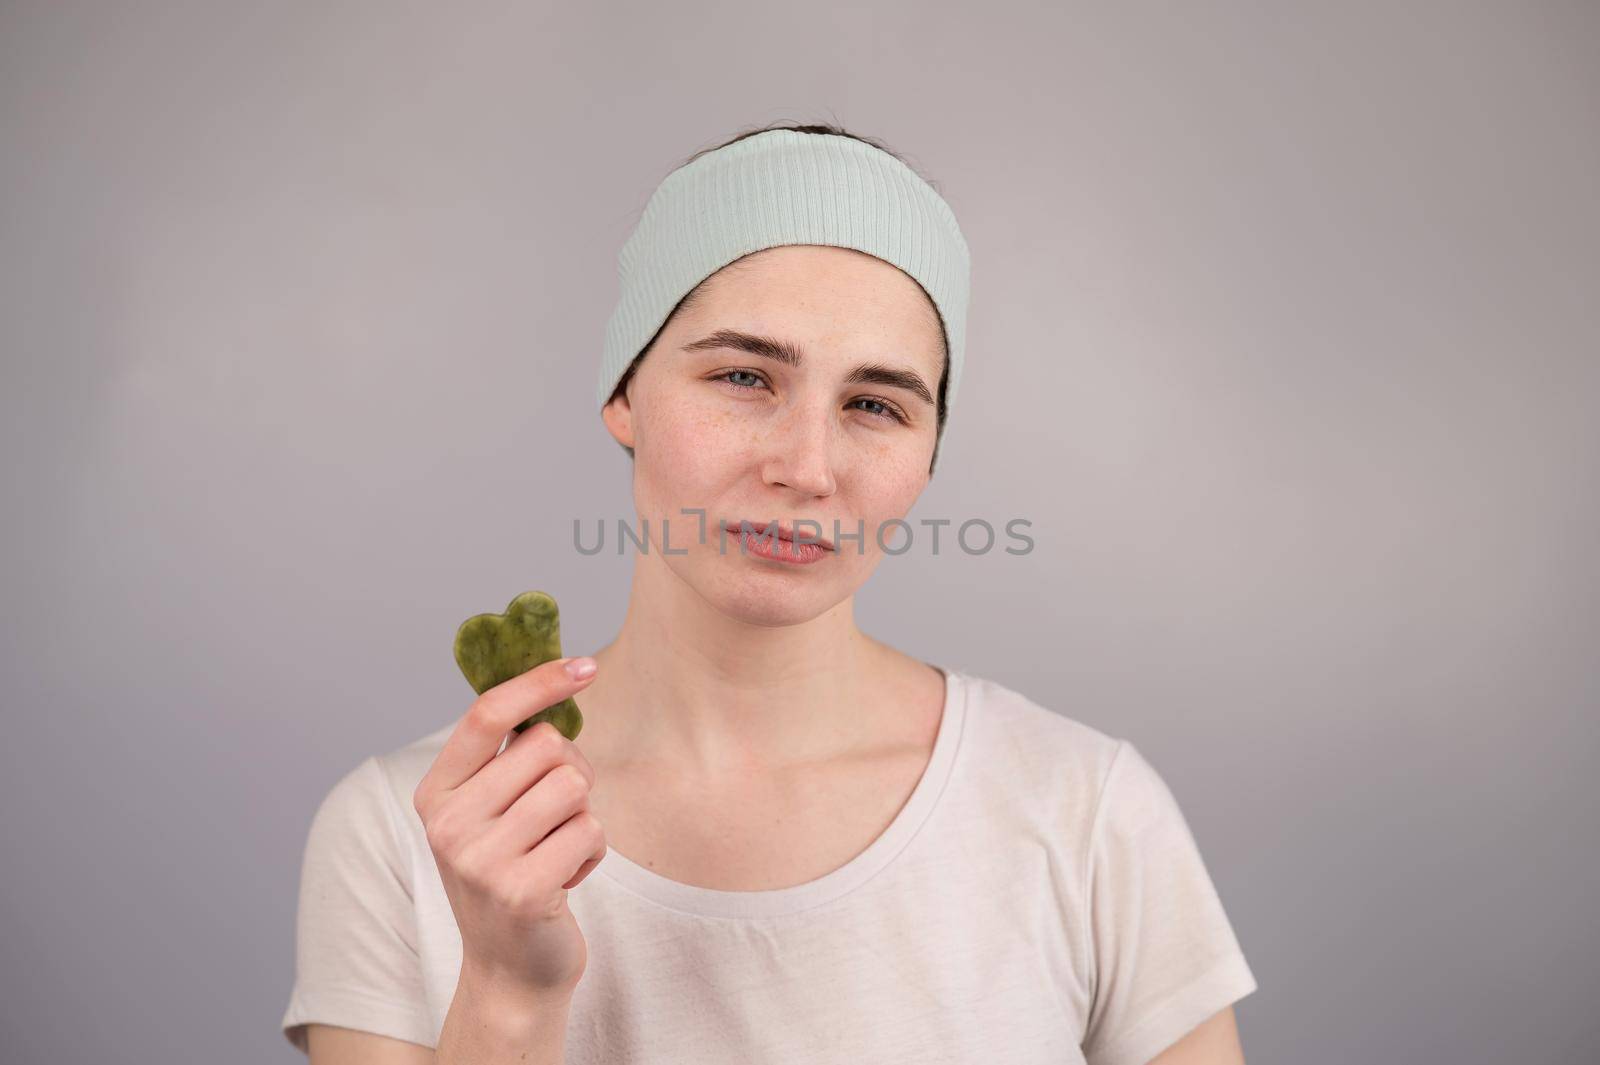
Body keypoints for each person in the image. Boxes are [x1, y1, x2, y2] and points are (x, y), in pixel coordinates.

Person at [282, 122, 1259, 1065]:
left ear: (929, 454)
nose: (807, 467)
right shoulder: (406, 832)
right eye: (745, 376)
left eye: (875, 404)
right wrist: (505, 990)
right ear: (625, 395)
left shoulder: (1085, 811)